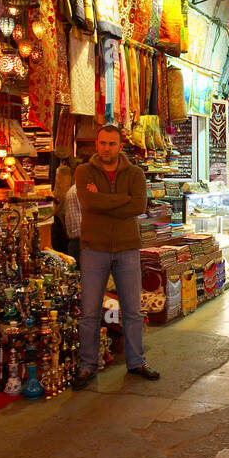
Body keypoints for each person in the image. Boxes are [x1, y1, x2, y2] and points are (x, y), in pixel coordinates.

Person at [74, 124, 160, 388]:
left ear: (120, 147)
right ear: (96, 144)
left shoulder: (134, 173)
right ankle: (87, 365)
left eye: (112, 144)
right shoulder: (83, 171)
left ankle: (136, 362)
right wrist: (120, 199)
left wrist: (103, 200)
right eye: (102, 143)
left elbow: (138, 206)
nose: (106, 149)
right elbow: (88, 203)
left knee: (132, 309)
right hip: (93, 249)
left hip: (126, 248)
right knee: (89, 311)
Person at [62, 182, 82, 261]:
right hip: (81, 242)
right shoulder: (77, 191)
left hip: (80, 241)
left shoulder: (76, 190)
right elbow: (77, 226)